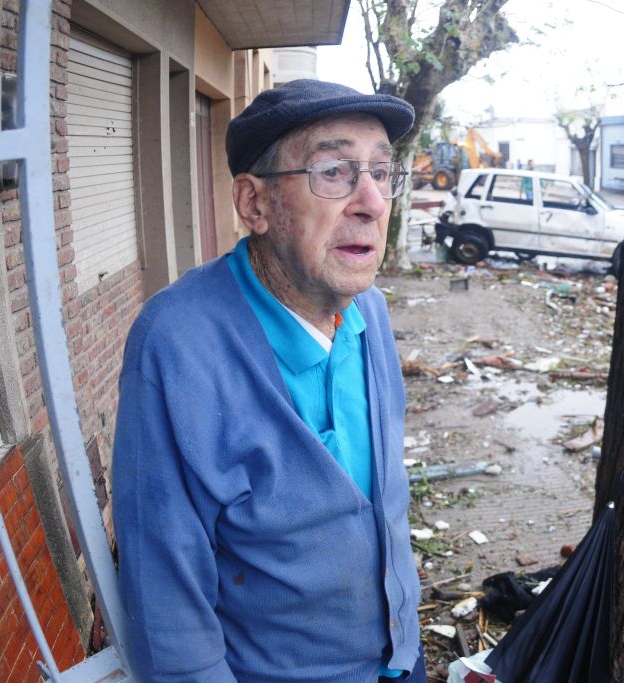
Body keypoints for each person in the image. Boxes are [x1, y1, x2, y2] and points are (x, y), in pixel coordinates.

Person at [111, 79, 424, 683]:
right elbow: (165, 593)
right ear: (254, 204)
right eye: (334, 171)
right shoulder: (178, 342)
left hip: (399, 661)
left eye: (382, 172)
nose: (373, 201)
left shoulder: (370, 311)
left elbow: (386, 505)